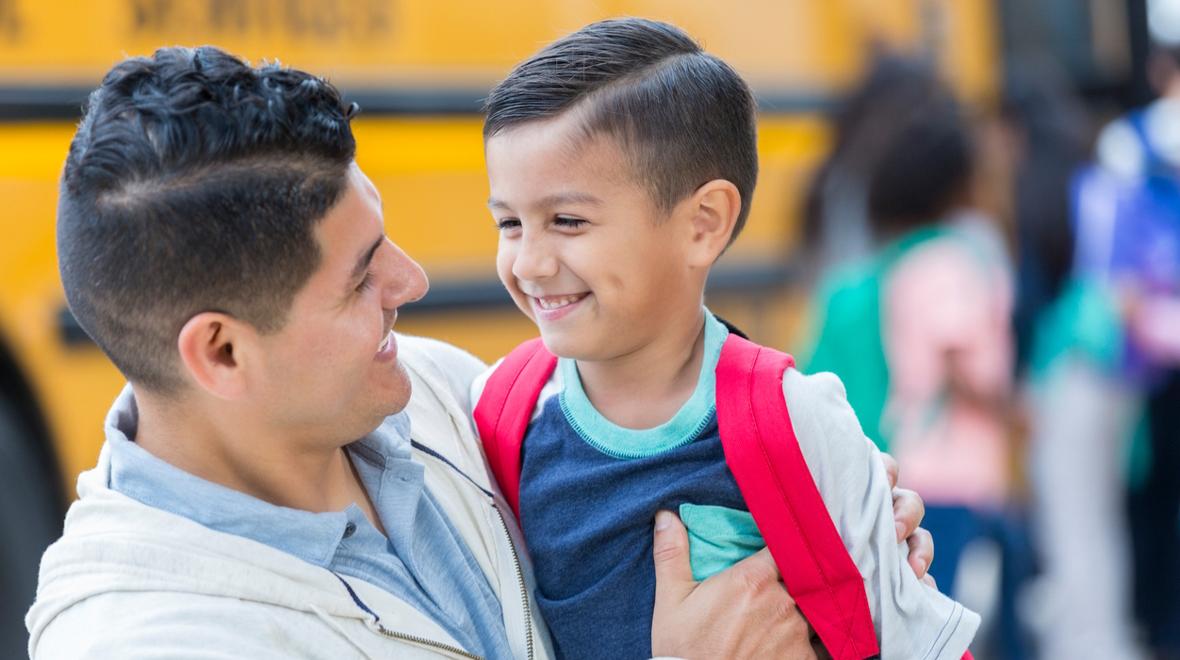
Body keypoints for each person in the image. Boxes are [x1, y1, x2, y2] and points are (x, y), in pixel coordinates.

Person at [25, 46, 935, 659]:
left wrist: (827, 491)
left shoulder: (453, 401)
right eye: (360, 278)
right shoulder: (146, 636)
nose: (413, 283)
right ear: (220, 353)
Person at [475, 19, 976, 660]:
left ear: (703, 223)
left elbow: (908, 637)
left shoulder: (794, 420)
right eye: (510, 222)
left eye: (567, 221)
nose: (529, 263)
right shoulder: (497, 413)